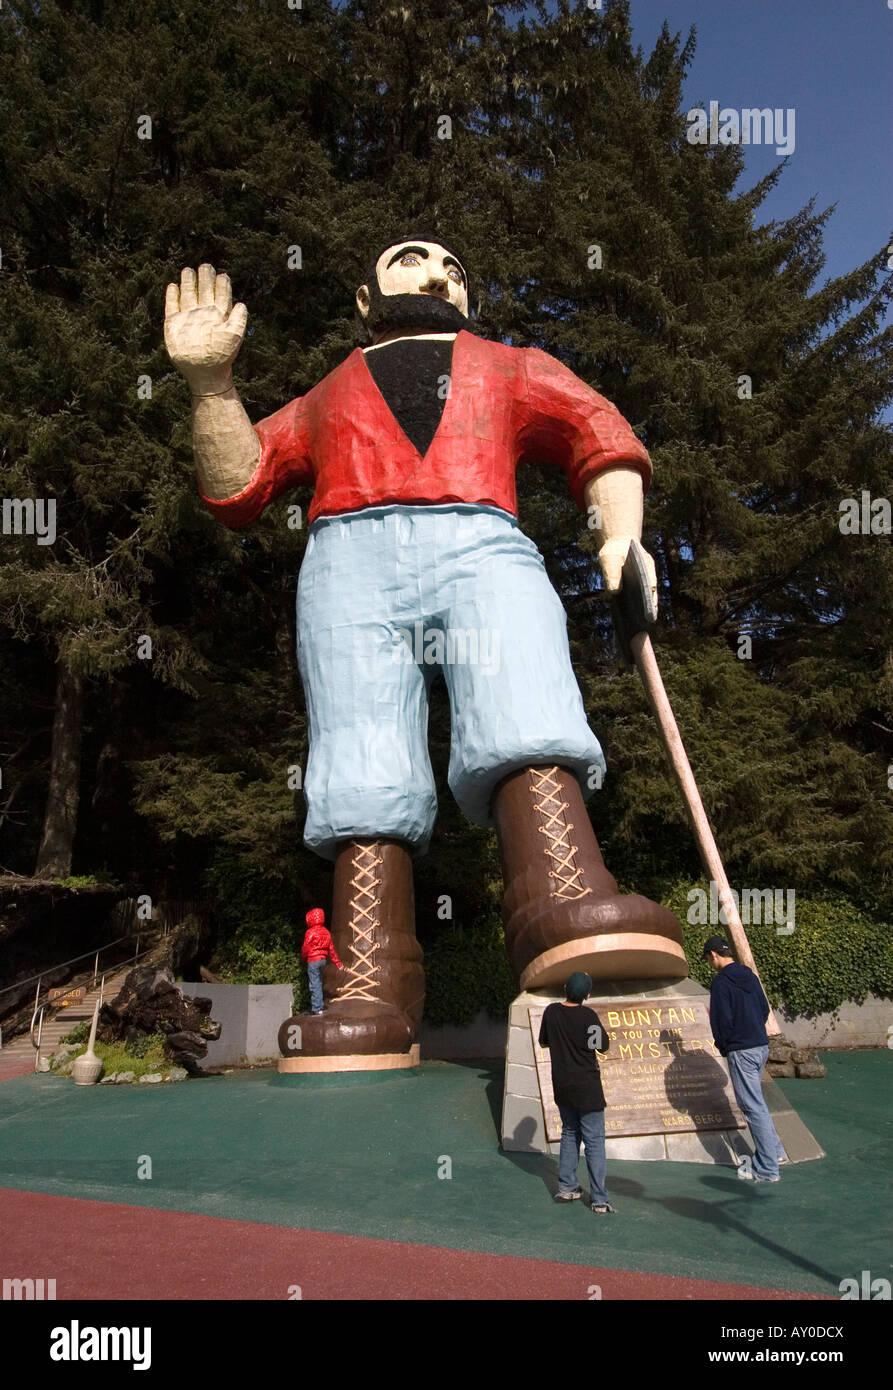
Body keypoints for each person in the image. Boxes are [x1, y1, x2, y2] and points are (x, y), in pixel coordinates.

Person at [164, 236, 686, 1066]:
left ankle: (561, 890)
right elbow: (240, 484)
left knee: (521, 685)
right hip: (347, 560)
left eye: (456, 269)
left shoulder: (513, 367)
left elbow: (598, 431)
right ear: (364, 301)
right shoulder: (326, 394)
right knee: (359, 746)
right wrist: (210, 386)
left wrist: (619, 534)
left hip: (481, 539)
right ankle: (372, 981)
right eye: (413, 261)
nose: (440, 275)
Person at [703, 935, 787, 1181]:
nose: (710, 963)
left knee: (752, 1107)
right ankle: (776, 1152)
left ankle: (768, 1168)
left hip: (741, 1050)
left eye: (709, 958)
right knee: (758, 1103)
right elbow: (763, 1008)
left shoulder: (720, 983)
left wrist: (725, 1044)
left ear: (714, 955)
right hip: (760, 1045)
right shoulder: (749, 976)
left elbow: (721, 1021)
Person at [538, 971, 615, 1213]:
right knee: (594, 1140)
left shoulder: (551, 1012)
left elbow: (544, 1041)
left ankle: (567, 1187)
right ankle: (600, 1198)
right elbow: (601, 1046)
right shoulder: (588, 1016)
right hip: (588, 1087)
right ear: (588, 995)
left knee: (570, 1132)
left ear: (564, 987)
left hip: (563, 1085)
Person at [300, 908, 343, 1016]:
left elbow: (305, 947)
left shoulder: (310, 932)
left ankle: (316, 1008)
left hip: (313, 960)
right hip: (322, 960)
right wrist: (337, 963)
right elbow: (331, 949)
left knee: (314, 984)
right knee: (318, 982)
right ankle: (319, 1005)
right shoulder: (326, 932)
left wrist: (303, 958)